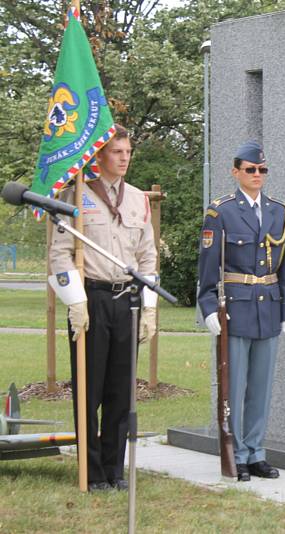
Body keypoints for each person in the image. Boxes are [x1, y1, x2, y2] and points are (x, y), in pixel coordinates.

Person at [49, 124, 158, 491]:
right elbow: (60, 256)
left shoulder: (138, 199)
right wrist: (76, 302)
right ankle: (92, 471)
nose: (124, 158)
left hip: (126, 301)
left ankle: (114, 468)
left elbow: (147, 257)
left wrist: (150, 306)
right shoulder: (75, 196)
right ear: (98, 157)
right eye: (117, 152)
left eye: (128, 152)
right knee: (89, 389)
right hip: (91, 300)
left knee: (120, 391)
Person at [197, 140, 285, 481]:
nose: (257, 175)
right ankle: (236, 454)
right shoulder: (220, 211)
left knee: (261, 387)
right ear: (236, 172)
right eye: (251, 170)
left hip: (268, 308)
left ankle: (256, 453)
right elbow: (208, 266)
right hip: (235, 310)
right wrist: (208, 306)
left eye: (262, 170)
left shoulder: (279, 212)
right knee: (234, 387)